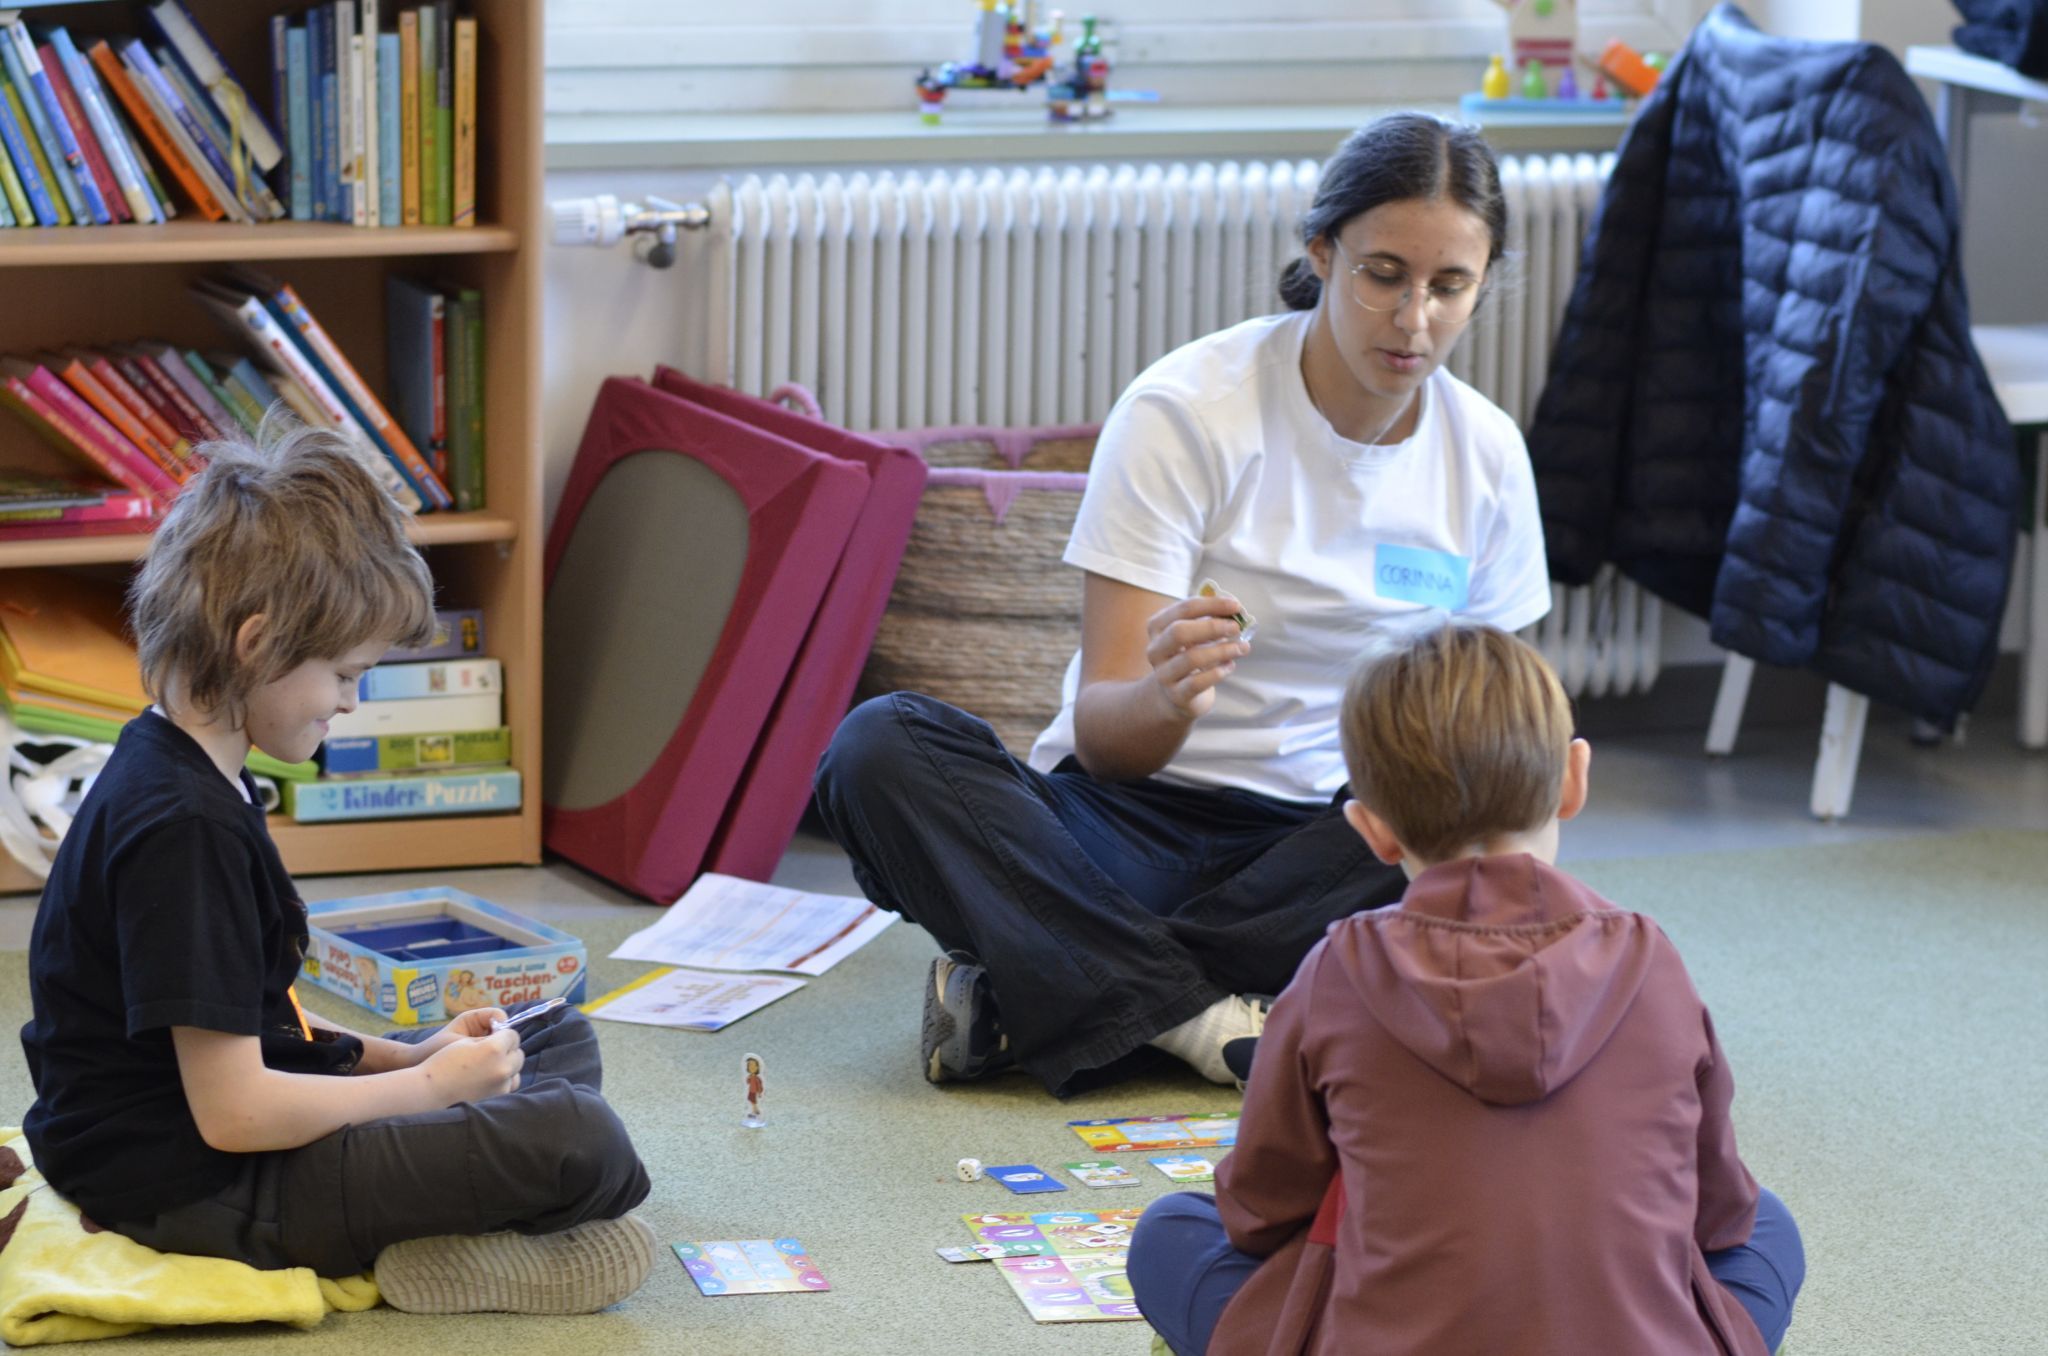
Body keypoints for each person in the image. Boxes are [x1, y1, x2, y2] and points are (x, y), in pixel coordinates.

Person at [814, 111, 1552, 1096]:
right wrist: (1165, 696)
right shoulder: (1184, 410)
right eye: (1383, 275)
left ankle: (1049, 987)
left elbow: (1499, 740)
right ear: (1321, 252)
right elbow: (1108, 736)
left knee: (1476, 850)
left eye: (1448, 286)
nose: (1413, 319)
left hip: (1339, 846)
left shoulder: (1488, 456)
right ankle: (1209, 1021)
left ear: (1482, 282)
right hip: (1127, 826)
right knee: (877, 749)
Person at [19, 420, 656, 1314]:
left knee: (553, 1034)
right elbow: (233, 1113)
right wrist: (424, 1090)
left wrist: (407, 1054)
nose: (353, 702)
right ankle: (447, 1251)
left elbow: (255, 1014)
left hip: (213, 1136)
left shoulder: (193, 764)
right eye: (346, 674)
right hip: (192, 1184)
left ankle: (451, 1210)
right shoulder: (180, 830)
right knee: (580, 1140)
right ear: (256, 643)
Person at [1125, 625, 1805, 1356]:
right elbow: (1719, 1214)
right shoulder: (1652, 958)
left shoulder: (1334, 971)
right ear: (1576, 779)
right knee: (1770, 1227)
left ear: (1373, 831)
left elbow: (1259, 1211)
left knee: (1169, 1234)